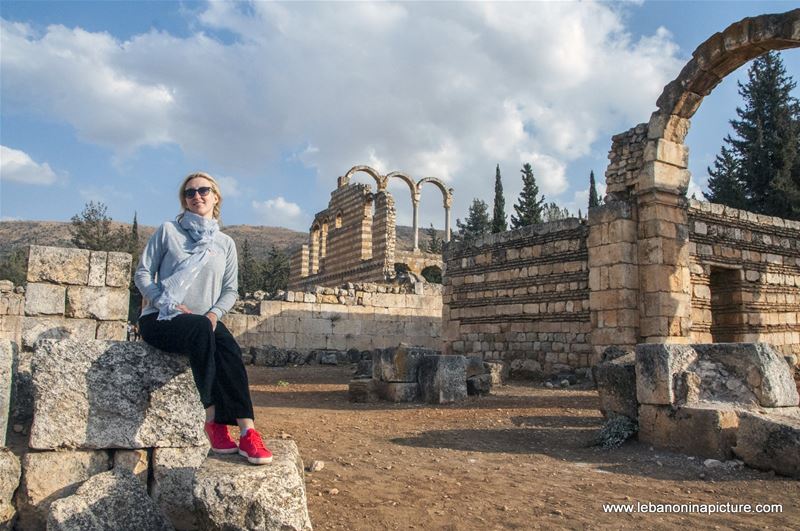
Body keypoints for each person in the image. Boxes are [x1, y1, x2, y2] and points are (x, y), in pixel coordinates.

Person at [134, 171, 272, 465]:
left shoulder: (225, 244)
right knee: (201, 329)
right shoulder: (168, 231)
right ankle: (213, 421)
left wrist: (213, 314)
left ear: (215, 197)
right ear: (184, 201)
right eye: (190, 192)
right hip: (161, 319)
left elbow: (230, 289)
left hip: (203, 321)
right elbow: (143, 273)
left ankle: (248, 432)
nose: (197, 196)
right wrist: (164, 300)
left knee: (229, 347)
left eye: (203, 190)